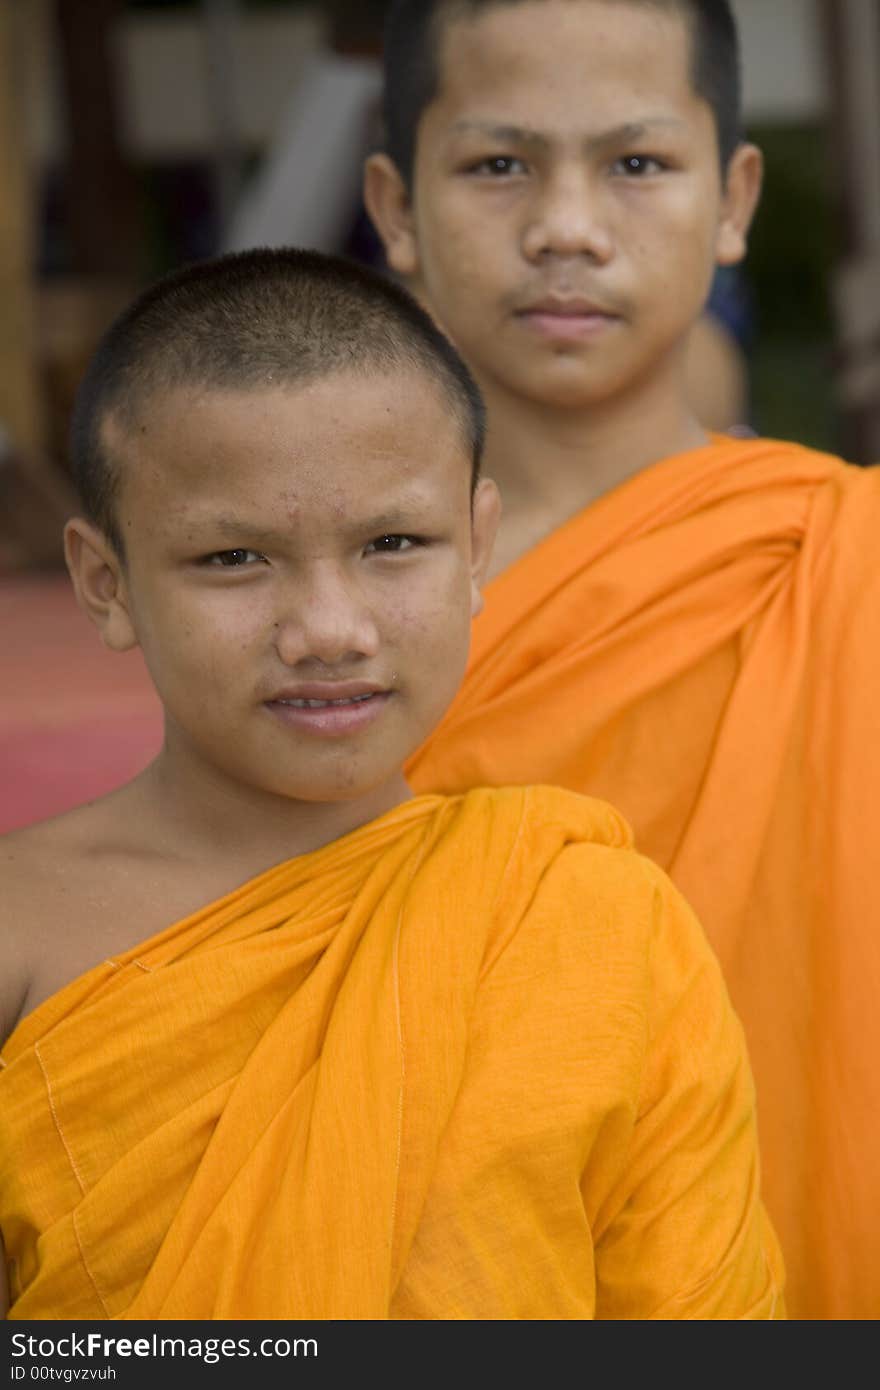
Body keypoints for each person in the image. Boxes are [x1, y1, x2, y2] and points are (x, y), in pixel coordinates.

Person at [0, 247, 785, 1321]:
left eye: (393, 543)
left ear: (476, 549)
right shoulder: (20, 928)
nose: (329, 630)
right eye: (234, 558)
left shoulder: (590, 917)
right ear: (106, 582)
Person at [363, 0, 880, 1320]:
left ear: (733, 198)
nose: (568, 228)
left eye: (637, 163)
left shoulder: (844, 554)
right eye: (498, 165)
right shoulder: (328, 604)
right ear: (395, 204)